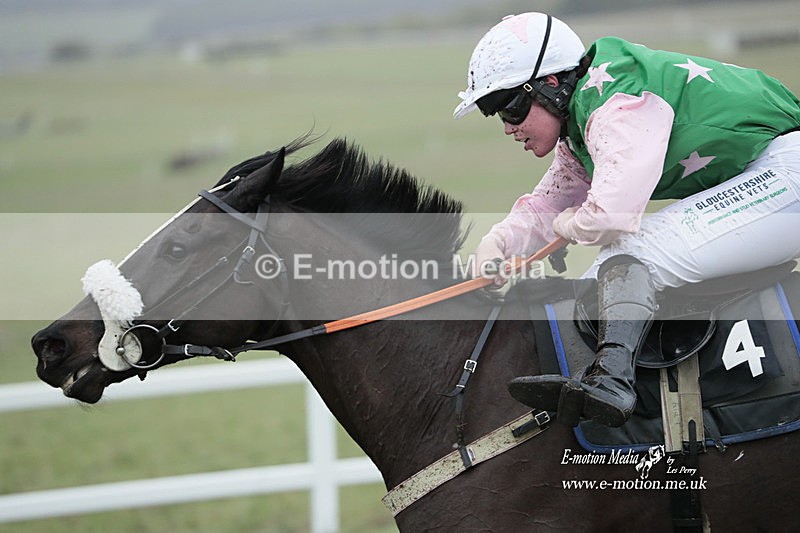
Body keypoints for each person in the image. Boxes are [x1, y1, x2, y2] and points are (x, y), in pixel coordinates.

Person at [454, 12, 800, 427]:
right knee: (608, 268)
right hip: (768, 173)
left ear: (548, 85)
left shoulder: (616, 103)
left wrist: (567, 227)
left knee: (630, 252)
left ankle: (613, 383)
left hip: (785, 170)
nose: (507, 127)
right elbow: (550, 202)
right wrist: (500, 242)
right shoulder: (585, 113)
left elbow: (610, 217)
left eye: (507, 107)